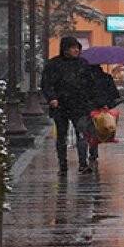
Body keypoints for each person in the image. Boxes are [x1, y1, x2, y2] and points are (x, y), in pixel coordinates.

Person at [42, 36, 99, 176]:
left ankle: (83, 164)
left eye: (77, 47)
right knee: (62, 135)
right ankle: (62, 165)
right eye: (73, 47)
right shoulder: (53, 64)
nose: (76, 50)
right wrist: (52, 98)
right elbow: (46, 84)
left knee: (82, 134)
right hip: (60, 106)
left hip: (79, 105)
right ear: (65, 49)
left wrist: (93, 101)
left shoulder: (83, 64)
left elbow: (91, 84)